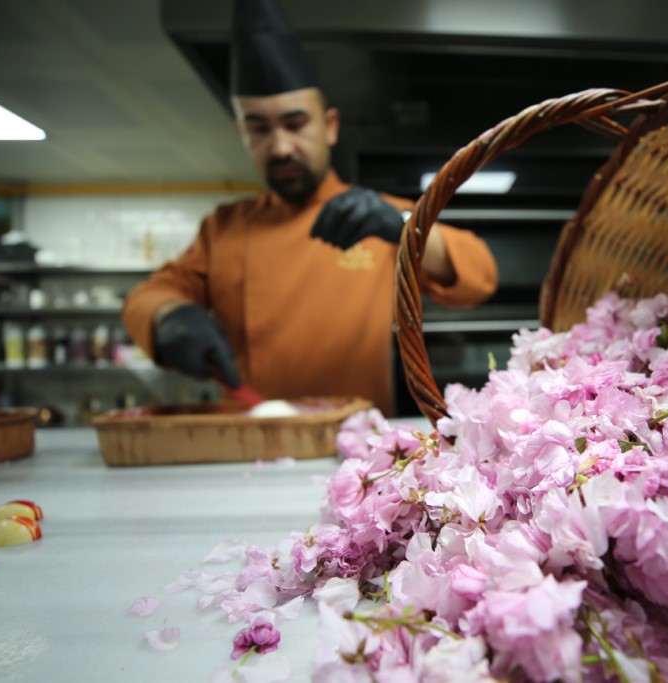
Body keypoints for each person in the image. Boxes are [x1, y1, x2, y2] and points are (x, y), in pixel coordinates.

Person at [121, 0, 498, 416]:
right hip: (252, 438)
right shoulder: (224, 228)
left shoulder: (380, 215)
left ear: (330, 126)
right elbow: (149, 294)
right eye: (259, 129)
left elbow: (480, 276)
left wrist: (404, 225)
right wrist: (169, 316)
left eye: (295, 124)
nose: (281, 147)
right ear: (242, 135)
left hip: (357, 450)